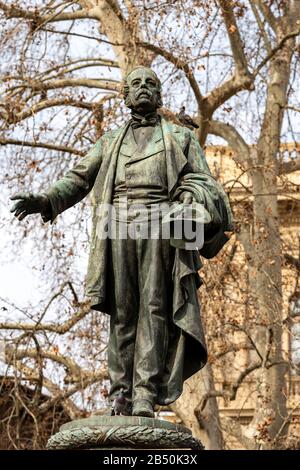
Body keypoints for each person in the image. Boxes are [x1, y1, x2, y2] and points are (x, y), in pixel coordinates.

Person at [10, 66, 233, 418]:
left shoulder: (179, 137)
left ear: (159, 96)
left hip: (161, 225)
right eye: (136, 84)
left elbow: (205, 183)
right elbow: (79, 178)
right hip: (117, 226)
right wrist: (47, 200)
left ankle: (144, 392)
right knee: (123, 311)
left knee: (156, 307)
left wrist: (193, 199)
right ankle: (120, 394)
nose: (143, 89)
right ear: (126, 96)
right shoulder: (110, 141)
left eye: (151, 84)